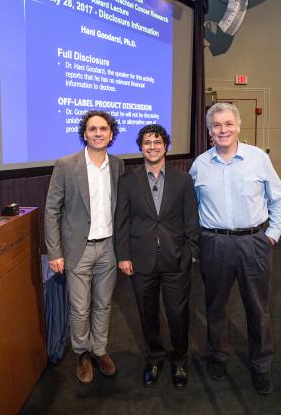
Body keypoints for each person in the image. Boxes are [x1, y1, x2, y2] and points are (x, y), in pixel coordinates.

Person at [189, 102, 281, 395]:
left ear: (238, 126)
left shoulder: (258, 158)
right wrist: (201, 238)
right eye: (216, 125)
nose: (223, 130)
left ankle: (261, 365)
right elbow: (190, 205)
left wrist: (271, 235)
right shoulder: (200, 164)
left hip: (254, 243)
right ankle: (217, 356)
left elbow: (279, 198)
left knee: (258, 309)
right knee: (215, 305)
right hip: (215, 243)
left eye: (228, 124)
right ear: (209, 131)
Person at [115, 124, 200, 389]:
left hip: (176, 260)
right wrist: (124, 256)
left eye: (158, 142)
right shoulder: (128, 181)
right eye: (147, 142)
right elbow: (122, 221)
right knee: (147, 313)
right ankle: (154, 358)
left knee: (178, 315)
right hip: (141, 261)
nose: (152, 146)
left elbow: (191, 221)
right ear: (140, 147)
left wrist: (190, 254)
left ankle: (180, 359)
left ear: (166, 146)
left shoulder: (183, 180)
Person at [44, 110, 124, 384]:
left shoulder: (117, 165)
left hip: (109, 249)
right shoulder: (66, 164)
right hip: (78, 249)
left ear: (111, 134)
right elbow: (52, 209)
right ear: (84, 133)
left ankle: (99, 350)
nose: (98, 133)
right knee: (79, 308)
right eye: (92, 129)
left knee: (103, 305)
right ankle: (82, 353)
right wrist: (54, 251)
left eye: (103, 128)